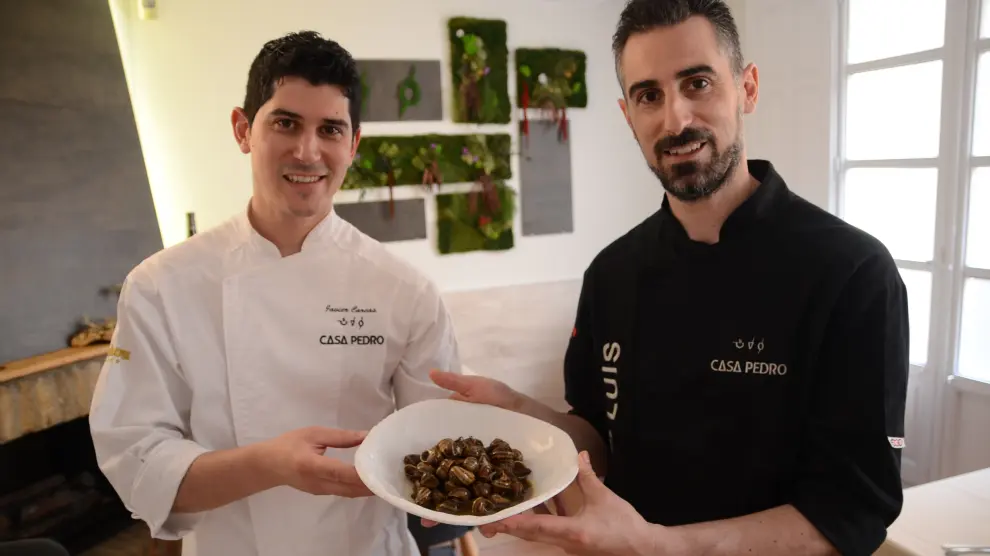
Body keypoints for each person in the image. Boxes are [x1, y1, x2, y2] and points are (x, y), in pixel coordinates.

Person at [426, 1, 910, 555]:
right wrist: (521, 411)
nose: (675, 120)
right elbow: (599, 441)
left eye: (698, 82)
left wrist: (661, 547)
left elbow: (853, 510)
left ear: (747, 88)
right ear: (627, 113)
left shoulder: (852, 273)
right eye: (648, 95)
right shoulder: (611, 274)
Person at [88, 31, 462, 556]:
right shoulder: (161, 286)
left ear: (353, 145)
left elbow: (438, 443)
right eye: (285, 123)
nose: (307, 151)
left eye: (330, 129)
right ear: (244, 130)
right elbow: (136, 458)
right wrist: (272, 464)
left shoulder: (404, 289)